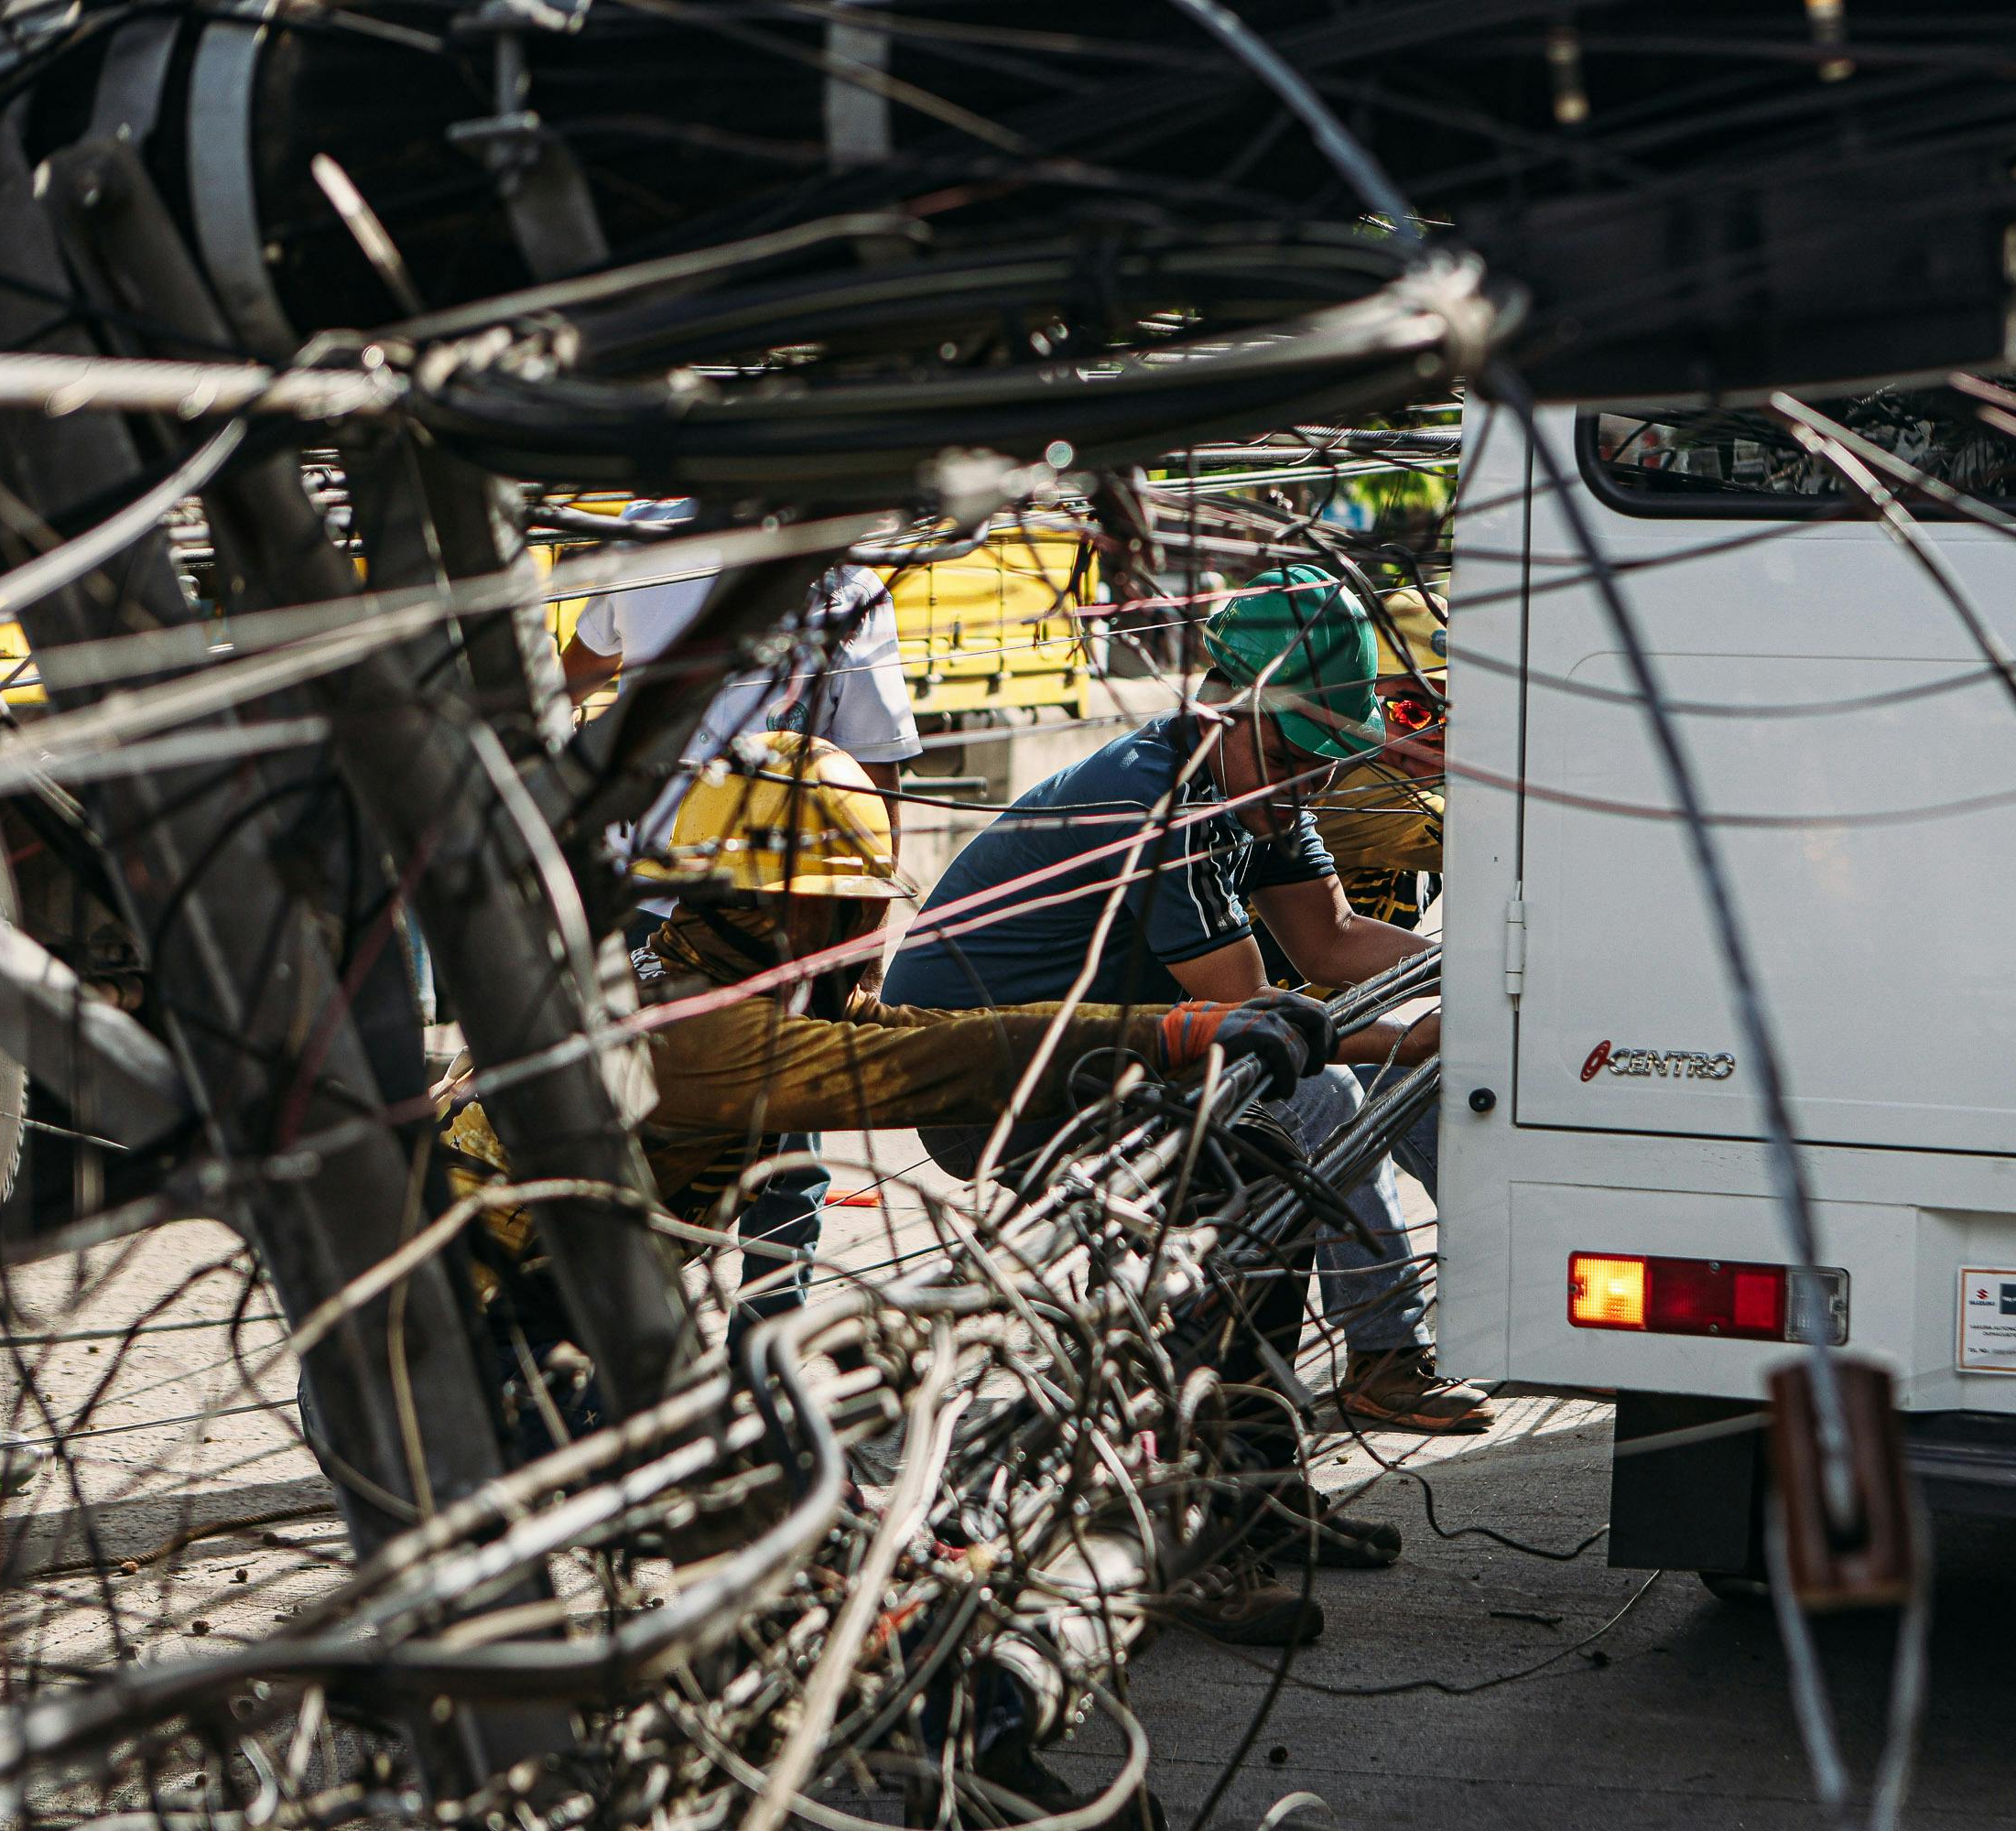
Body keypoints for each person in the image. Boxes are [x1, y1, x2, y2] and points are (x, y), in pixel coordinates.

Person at [442, 735, 1397, 1641]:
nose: (867, 935)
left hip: (539, 1332)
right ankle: (970, 1730)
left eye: (866, 910)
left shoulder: (705, 977)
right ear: (758, 906)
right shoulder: (690, 1033)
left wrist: (1180, 1025)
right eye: (843, 910)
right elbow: (945, 1058)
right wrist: (1178, 1032)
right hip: (474, 1368)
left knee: (837, 1515)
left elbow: (916, 1031)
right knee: (857, 1549)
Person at [886, 563, 1489, 1435]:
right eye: (1287, 762)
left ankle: (1516, 1286)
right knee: (1322, 1094)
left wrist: (1484, 982)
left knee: (1402, 1073)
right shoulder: (1162, 803)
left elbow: (1331, 938)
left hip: (1117, 1055)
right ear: (1221, 710)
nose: (1304, 792)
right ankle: (1383, 1358)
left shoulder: (1257, 788)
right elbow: (1251, 1021)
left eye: (1323, 768)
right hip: (994, 1086)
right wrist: (1425, 1033)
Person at [561, 499, 924, 1309]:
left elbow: (576, 669)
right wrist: (867, 939)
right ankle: (747, 1347)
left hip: (684, 896)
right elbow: (878, 776)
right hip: (749, 910)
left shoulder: (658, 536)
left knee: (651, 1118)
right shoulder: (841, 583)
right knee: (775, 1132)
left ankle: (638, 1331)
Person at [1249, 583, 1468, 1429]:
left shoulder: (1416, 780)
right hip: (1246, 1034)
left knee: (1448, 1093)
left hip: (1325, 1023)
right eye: (1412, 711)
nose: (1439, 736)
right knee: (1340, 1110)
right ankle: (1384, 1350)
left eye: (1457, 710)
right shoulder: (1345, 790)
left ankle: (1523, 1297)